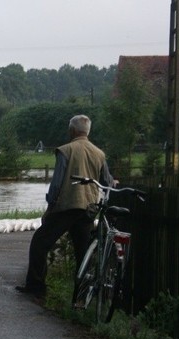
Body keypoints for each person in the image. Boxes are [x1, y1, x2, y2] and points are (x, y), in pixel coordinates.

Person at [16, 114, 114, 301]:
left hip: (67, 206)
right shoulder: (99, 154)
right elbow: (106, 181)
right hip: (88, 209)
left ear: (72, 130)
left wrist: (50, 206)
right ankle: (82, 295)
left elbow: (57, 182)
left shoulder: (65, 150)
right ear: (87, 131)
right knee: (83, 252)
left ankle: (36, 286)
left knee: (39, 242)